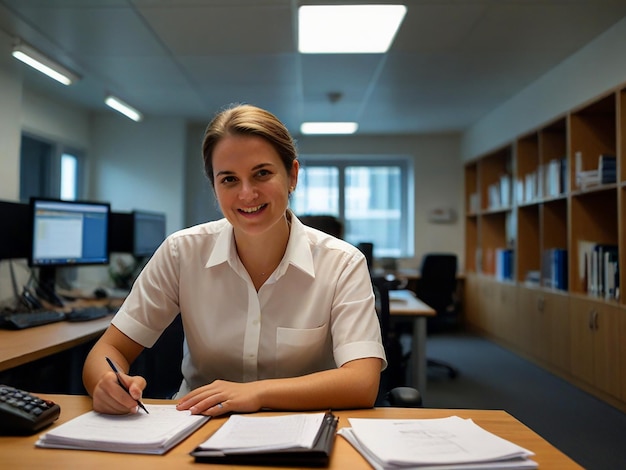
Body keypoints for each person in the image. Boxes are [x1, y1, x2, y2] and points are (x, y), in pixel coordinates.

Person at [83, 103, 386, 416]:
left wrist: (256, 393)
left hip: (302, 432)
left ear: (292, 175)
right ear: (214, 185)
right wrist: (106, 382)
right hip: (196, 428)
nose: (247, 194)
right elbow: (109, 349)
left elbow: (362, 382)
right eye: (229, 179)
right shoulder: (181, 252)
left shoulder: (342, 263)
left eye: (262, 174)